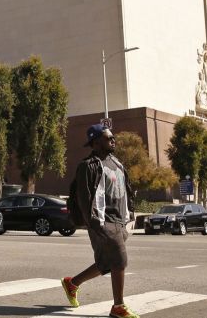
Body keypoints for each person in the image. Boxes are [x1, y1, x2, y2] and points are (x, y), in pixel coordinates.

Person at [63, 124, 138, 318]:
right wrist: (94, 224)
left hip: (121, 220)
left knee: (107, 263)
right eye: (108, 138)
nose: (113, 140)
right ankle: (118, 307)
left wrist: (131, 212)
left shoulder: (117, 163)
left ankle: (72, 283)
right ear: (96, 142)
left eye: (113, 137)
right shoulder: (87, 166)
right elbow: (83, 198)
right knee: (119, 259)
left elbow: (126, 190)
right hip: (102, 220)